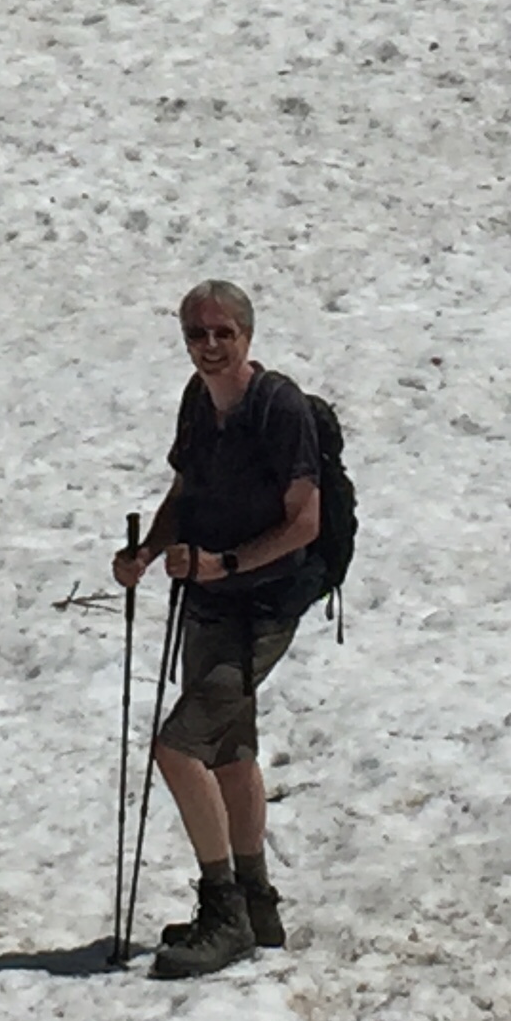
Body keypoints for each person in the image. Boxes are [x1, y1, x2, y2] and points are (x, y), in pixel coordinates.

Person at [111, 278, 324, 979]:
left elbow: (305, 522)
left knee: (179, 750)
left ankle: (223, 908)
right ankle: (257, 904)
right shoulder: (197, 403)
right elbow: (185, 492)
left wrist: (221, 564)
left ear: (247, 336)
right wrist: (149, 552)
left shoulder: (280, 408)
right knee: (230, 752)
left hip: (262, 609)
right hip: (209, 603)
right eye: (196, 334)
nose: (209, 345)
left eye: (221, 333)